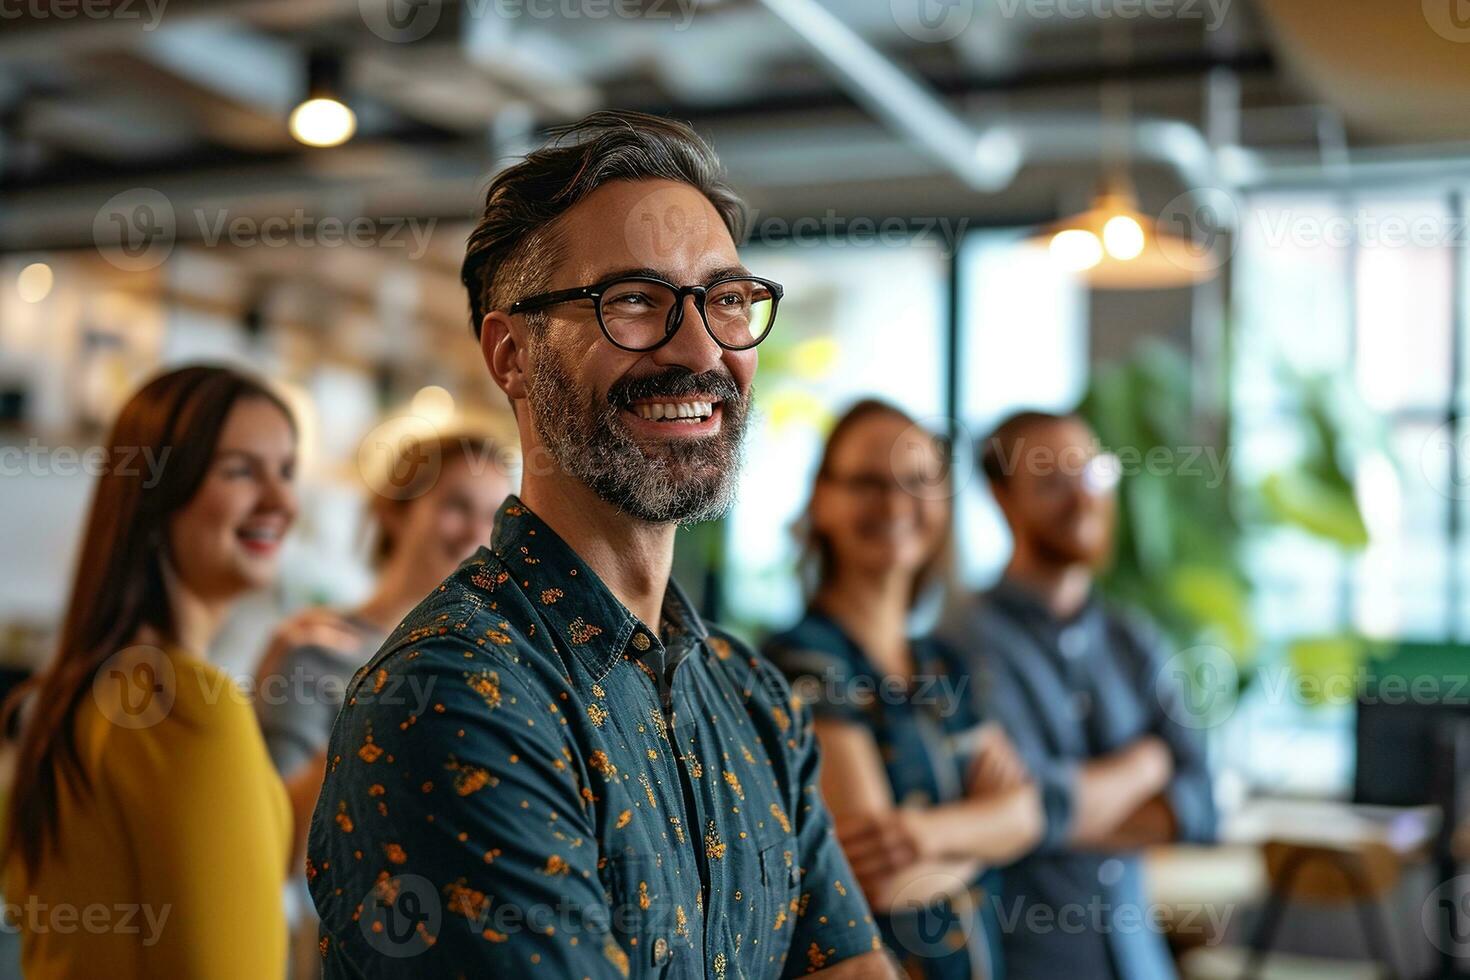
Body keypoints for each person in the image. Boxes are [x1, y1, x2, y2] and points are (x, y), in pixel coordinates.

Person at [306, 111, 895, 978]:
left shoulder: (755, 699)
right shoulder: (451, 695)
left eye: (726, 299)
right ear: (511, 354)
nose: (699, 348)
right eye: (632, 301)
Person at [2, 365, 297, 978]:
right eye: (241, 470)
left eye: (287, 471)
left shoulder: (91, 689)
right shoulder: (184, 702)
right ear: (160, 492)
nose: (282, 501)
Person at [765, 400, 1044, 980]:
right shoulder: (804, 660)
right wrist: (985, 839)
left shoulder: (942, 661)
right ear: (821, 499)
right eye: (867, 482)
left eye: (918, 481)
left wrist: (921, 833)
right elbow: (880, 879)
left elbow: (1027, 813)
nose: (894, 503)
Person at [939, 410, 1216, 980]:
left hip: (1141, 962)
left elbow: (1202, 802)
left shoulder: (1135, 640)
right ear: (1002, 497)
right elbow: (1020, 804)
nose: (1083, 498)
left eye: (1092, 474)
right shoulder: (960, 643)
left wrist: (1048, 818)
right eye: (1053, 482)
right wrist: (1147, 763)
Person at [253, 429, 510, 976]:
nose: (475, 532)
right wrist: (378, 719)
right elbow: (273, 847)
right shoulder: (314, 651)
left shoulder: (502, 666)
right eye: (455, 505)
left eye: (493, 515)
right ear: (395, 511)